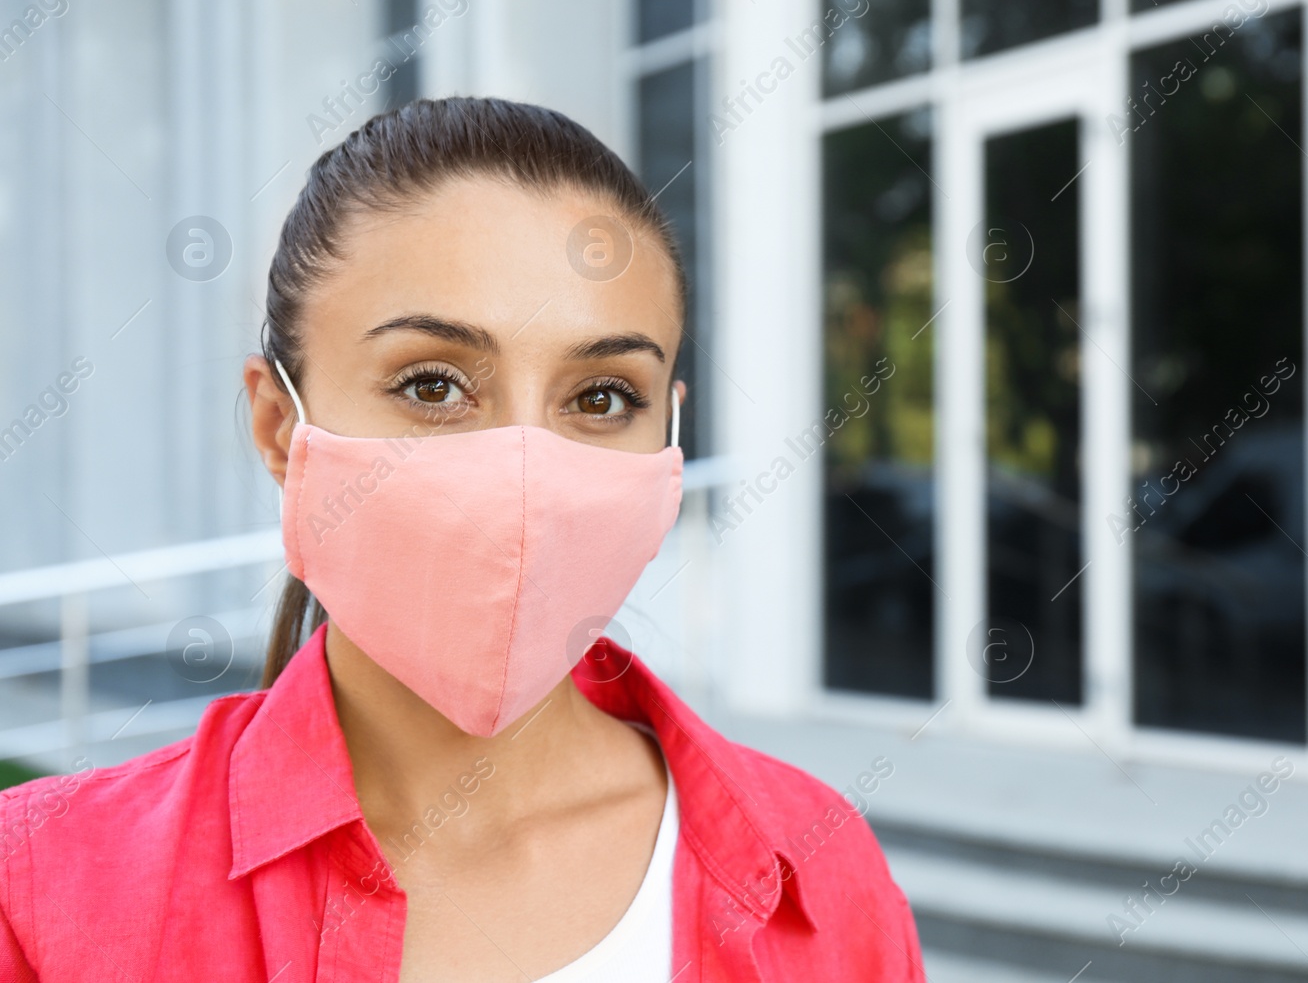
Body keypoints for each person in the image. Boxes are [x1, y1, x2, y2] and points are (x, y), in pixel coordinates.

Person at [0, 98, 925, 981]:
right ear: (281, 425)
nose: (523, 470)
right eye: (434, 384)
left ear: (670, 433)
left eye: (601, 396)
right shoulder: (42, 891)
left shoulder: (822, 865)